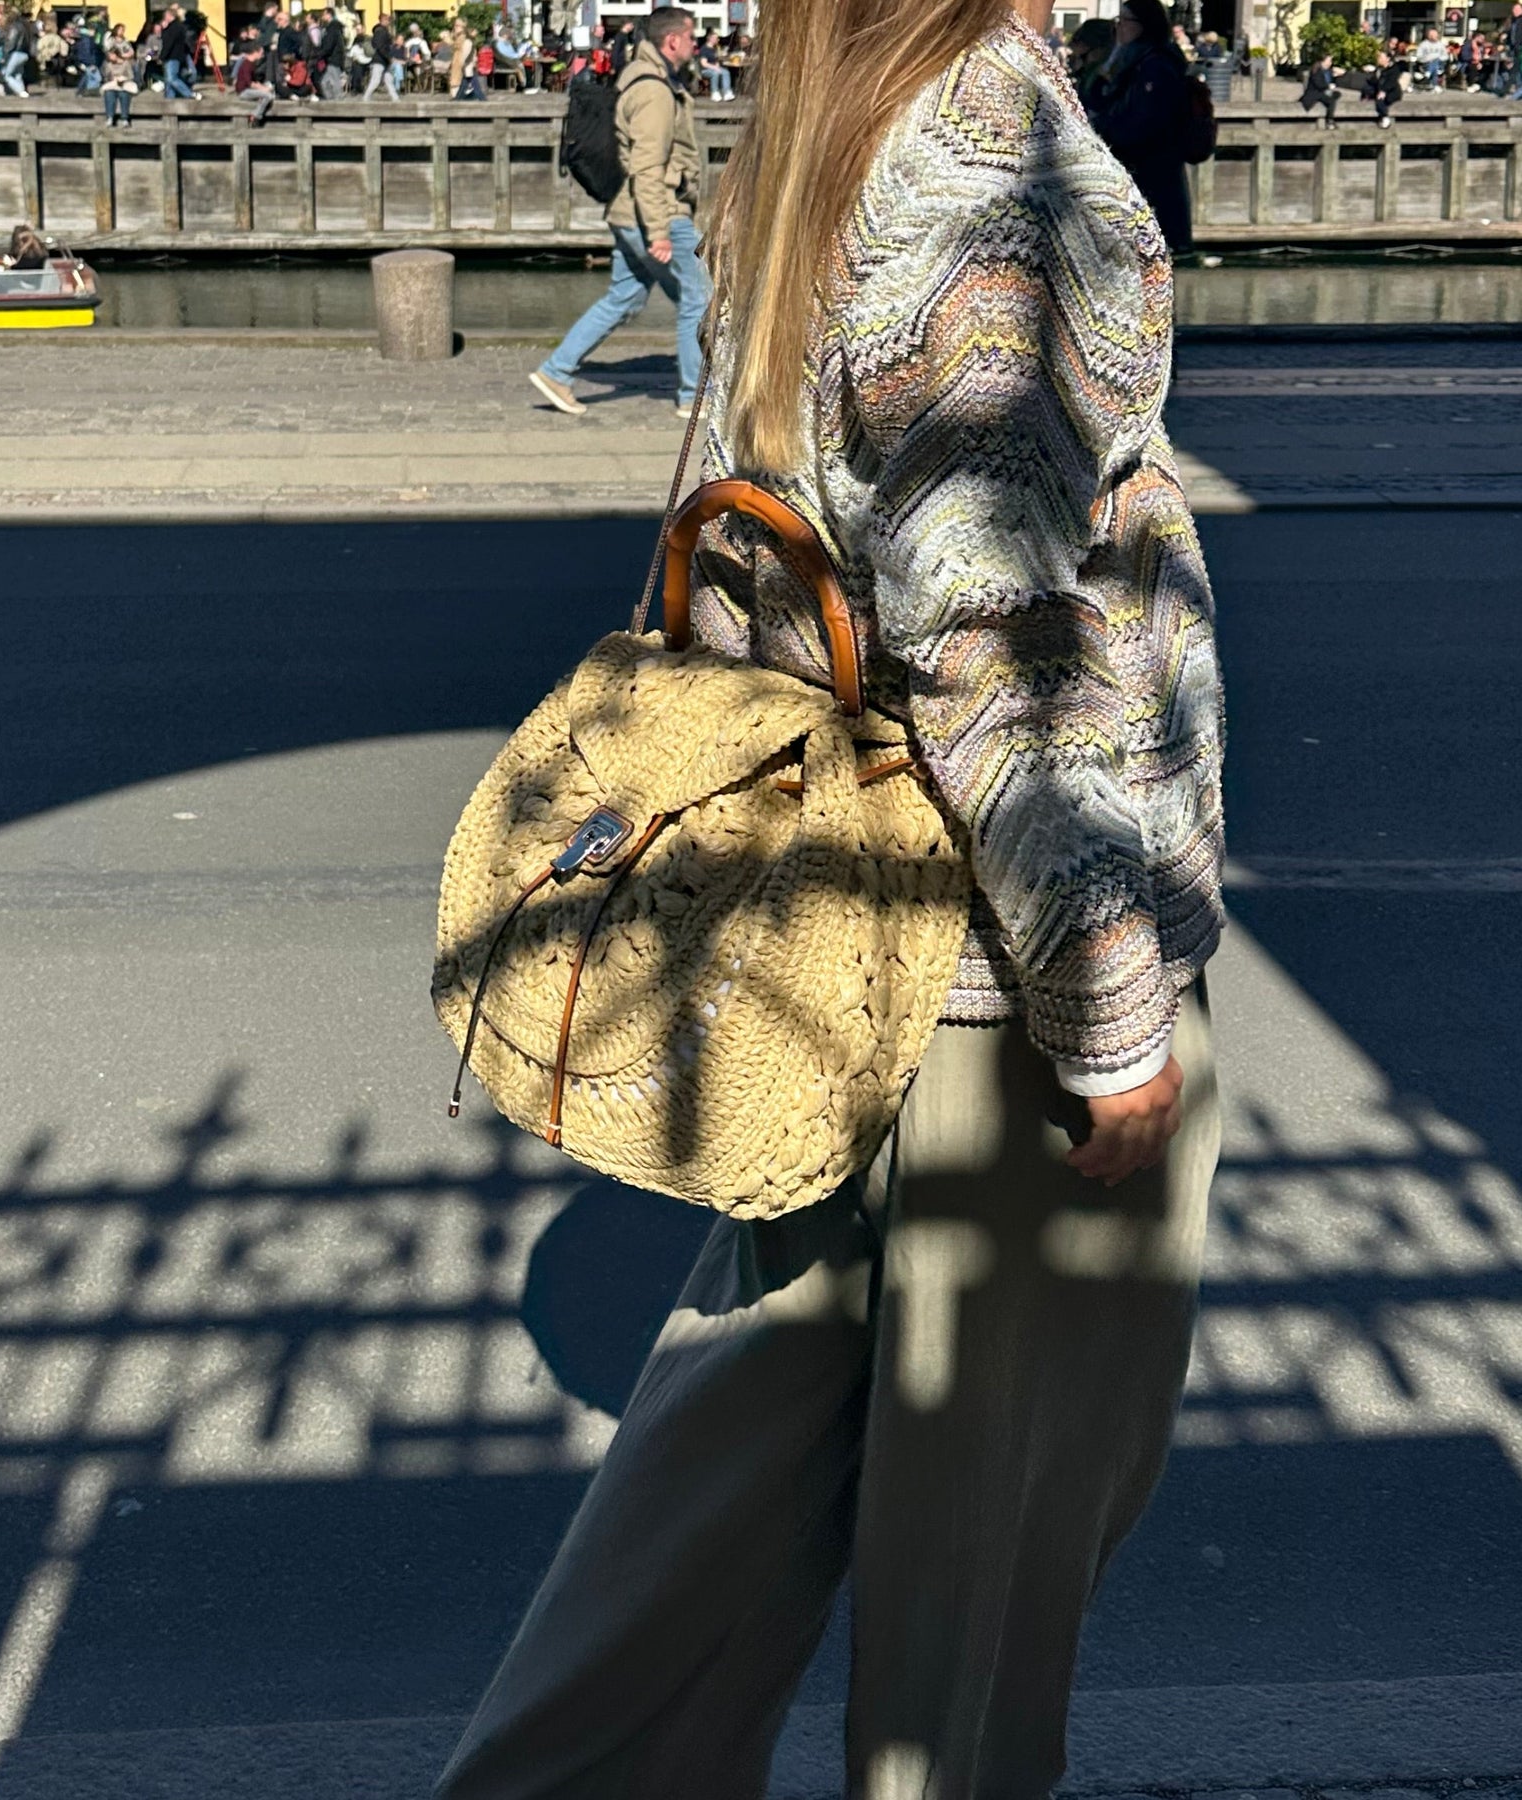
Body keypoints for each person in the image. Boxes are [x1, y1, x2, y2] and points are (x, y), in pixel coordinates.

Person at [440, 0, 1224, 1788]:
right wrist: (1111, 1018)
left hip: (832, 957)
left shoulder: (826, 131)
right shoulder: (998, 164)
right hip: (994, 994)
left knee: (716, 1505)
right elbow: (994, 638)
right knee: (984, 1581)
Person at [530, 8, 708, 418]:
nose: (695, 45)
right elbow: (647, 165)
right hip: (658, 212)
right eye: (691, 37)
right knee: (699, 297)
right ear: (672, 41)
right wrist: (659, 231)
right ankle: (693, 396)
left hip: (630, 213)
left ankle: (556, 371)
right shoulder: (654, 92)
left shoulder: (647, 80)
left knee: (624, 298)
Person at [1087, 0, 1192, 252]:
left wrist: (1104, 130)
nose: (1119, 27)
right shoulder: (1128, 59)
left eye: (1124, 21)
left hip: (1151, 170)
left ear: (1142, 25)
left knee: (1155, 247)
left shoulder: (1156, 65)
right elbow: (1097, 97)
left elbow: (1142, 121)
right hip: (1138, 168)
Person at [100, 26, 137, 124]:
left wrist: (123, 79)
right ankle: (110, 118)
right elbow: (105, 76)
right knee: (109, 94)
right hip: (112, 84)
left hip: (124, 84)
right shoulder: (107, 64)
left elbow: (131, 76)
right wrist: (112, 78)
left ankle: (125, 118)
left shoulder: (125, 63)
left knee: (124, 95)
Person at [159, 7, 196, 98]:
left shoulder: (173, 28)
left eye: (165, 16)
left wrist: (162, 56)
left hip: (172, 56)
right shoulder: (178, 26)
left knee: (172, 78)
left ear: (169, 15)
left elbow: (168, 42)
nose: (164, 18)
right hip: (176, 56)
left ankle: (189, 94)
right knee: (168, 80)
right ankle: (170, 97)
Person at [364, 11, 400, 97]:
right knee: (375, 81)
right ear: (383, 20)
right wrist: (388, 57)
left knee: (388, 80)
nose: (389, 22)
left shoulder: (382, 31)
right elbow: (380, 47)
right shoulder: (380, 31)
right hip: (379, 60)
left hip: (384, 60)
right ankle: (366, 97)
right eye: (388, 20)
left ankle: (395, 98)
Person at [1300, 49, 1340, 126]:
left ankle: (1330, 119)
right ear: (1323, 61)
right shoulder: (1316, 70)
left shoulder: (1328, 71)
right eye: (1329, 61)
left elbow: (1331, 81)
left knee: (1336, 94)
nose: (1330, 63)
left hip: (1323, 91)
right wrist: (1328, 86)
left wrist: (1336, 76)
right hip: (1315, 93)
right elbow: (1319, 84)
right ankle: (1330, 121)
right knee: (1331, 100)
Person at [697, 26, 732, 95]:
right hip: (705, 70)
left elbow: (715, 60)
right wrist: (715, 67)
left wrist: (717, 64)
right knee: (715, 73)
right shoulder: (704, 49)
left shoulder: (714, 48)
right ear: (711, 39)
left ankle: (727, 92)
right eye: (716, 38)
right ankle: (715, 92)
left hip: (713, 68)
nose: (718, 40)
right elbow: (704, 63)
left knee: (726, 72)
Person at [1411, 22, 1447, 86]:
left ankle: (1428, 73)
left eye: (1435, 35)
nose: (1433, 36)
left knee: (1435, 62)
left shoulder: (1441, 45)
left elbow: (1445, 56)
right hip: (1426, 64)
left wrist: (1437, 58)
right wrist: (1428, 59)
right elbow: (1419, 56)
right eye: (1431, 35)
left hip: (1439, 64)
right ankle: (1434, 85)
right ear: (1428, 35)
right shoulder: (1423, 44)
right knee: (1435, 66)